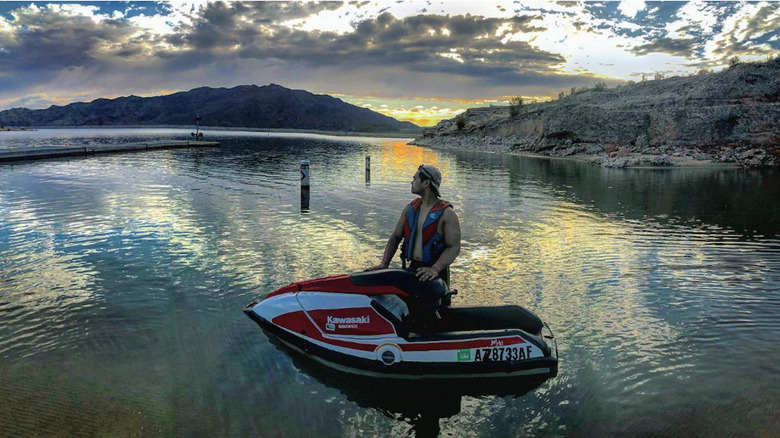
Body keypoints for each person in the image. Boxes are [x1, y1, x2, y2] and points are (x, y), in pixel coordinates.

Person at [366, 164, 461, 286]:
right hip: (412, 269)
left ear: (426, 183)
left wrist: (435, 268)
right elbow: (395, 237)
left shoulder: (447, 214)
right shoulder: (410, 209)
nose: (412, 182)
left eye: (415, 178)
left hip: (436, 274)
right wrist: (384, 264)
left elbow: (454, 247)